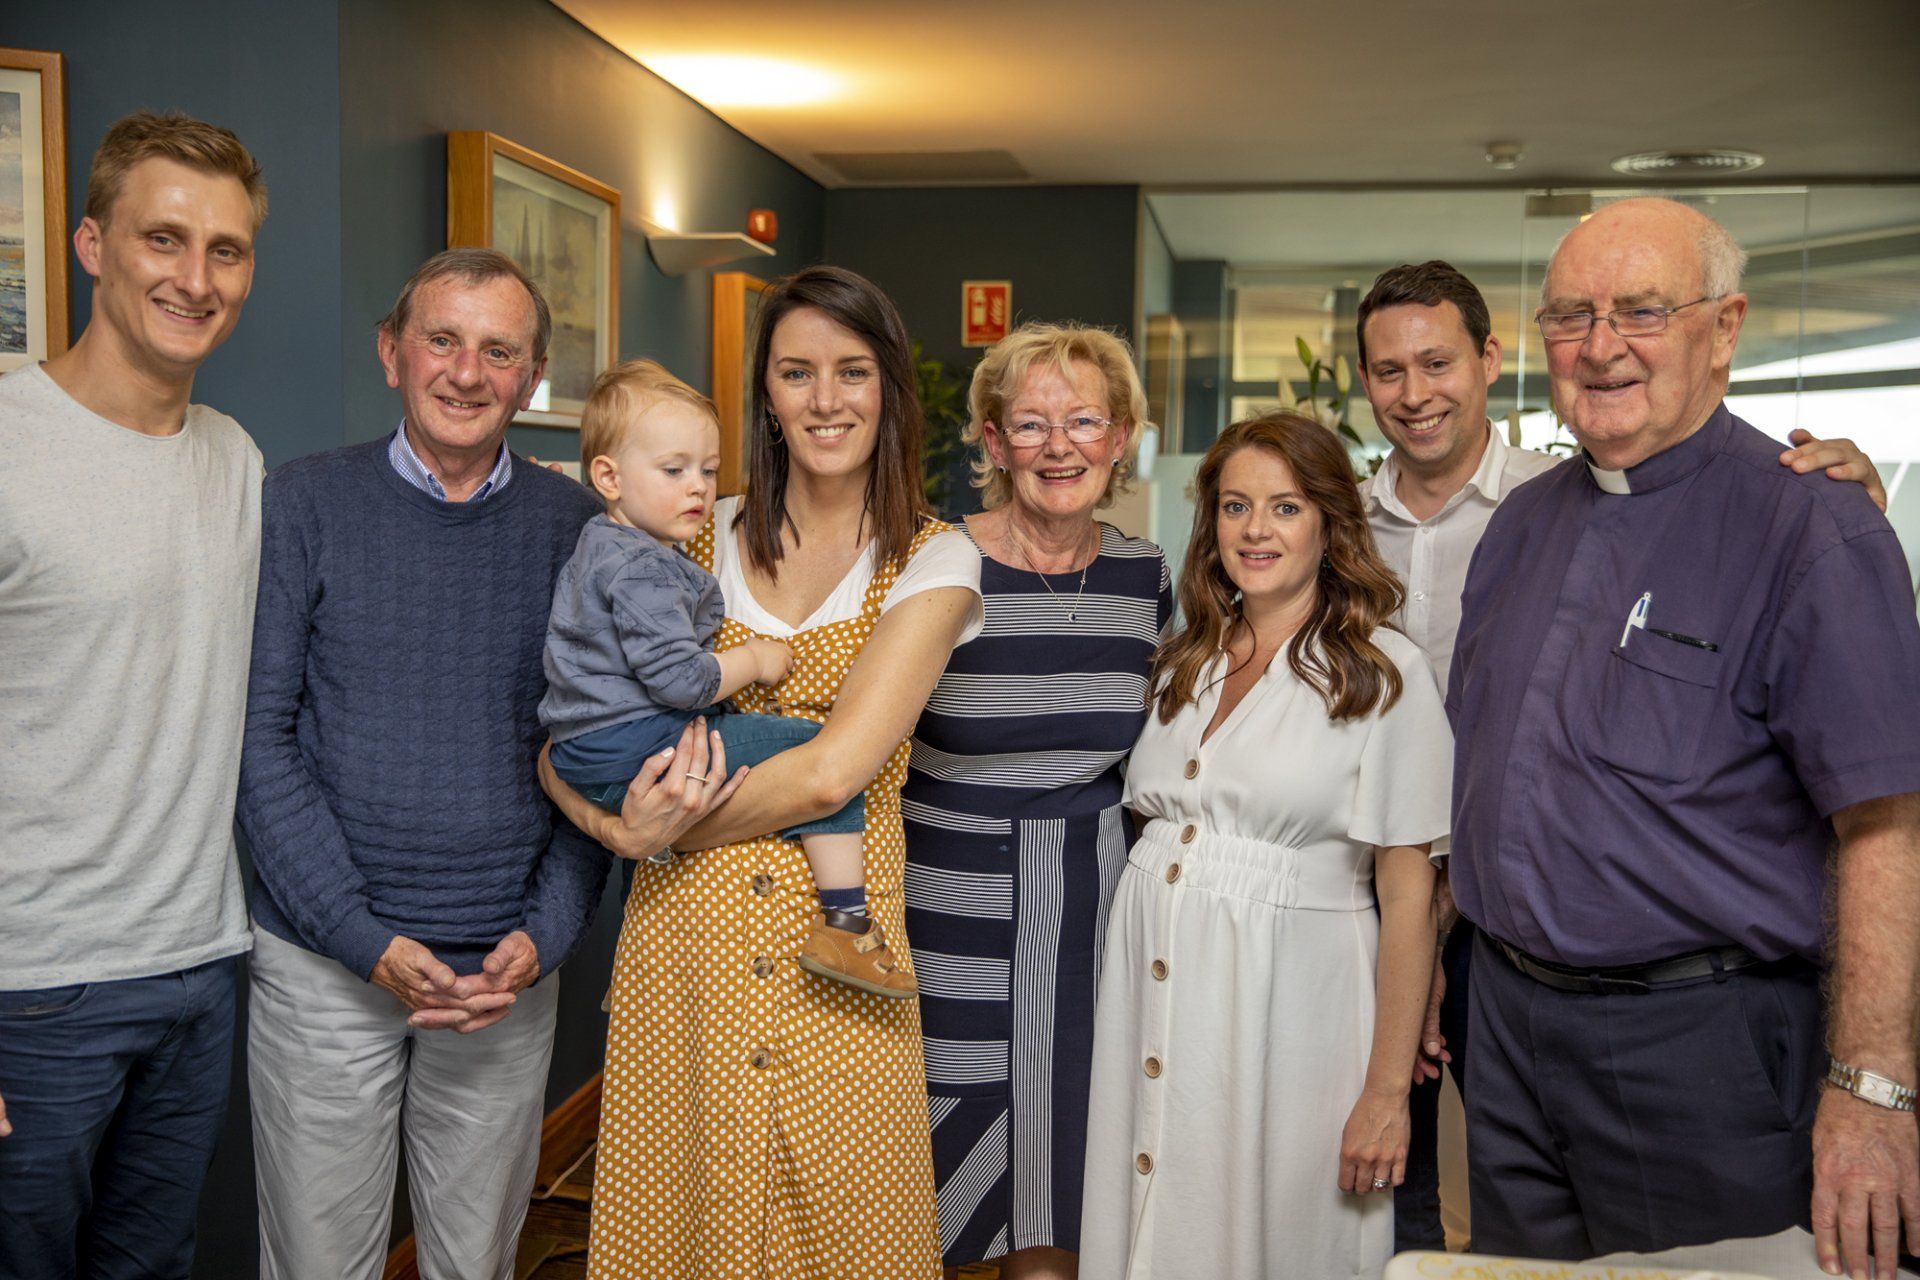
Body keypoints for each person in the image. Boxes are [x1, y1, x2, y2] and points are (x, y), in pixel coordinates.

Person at [1352, 258, 1893, 1255]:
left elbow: (1886, 823)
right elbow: (1481, 778)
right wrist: (1437, 950)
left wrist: (1876, 1084)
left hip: (1694, 1034)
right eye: (1574, 316)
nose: (1602, 345)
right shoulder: (1523, 525)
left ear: (1724, 328)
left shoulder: (1809, 519)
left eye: (1643, 312)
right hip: (1501, 1014)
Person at [236, 248, 728, 1280]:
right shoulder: (302, 504)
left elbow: (598, 748)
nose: (466, 372)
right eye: (442, 340)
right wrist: (361, 935)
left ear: (531, 375)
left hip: (504, 969)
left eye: (498, 350)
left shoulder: (584, 533)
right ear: (391, 352)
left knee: (476, 1261)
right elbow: (260, 741)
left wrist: (544, 933)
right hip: (327, 963)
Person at [540, 265, 983, 1279]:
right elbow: (564, 725)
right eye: (796, 373)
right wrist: (613, 828)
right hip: (685, 948)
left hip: (842, 944)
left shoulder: (934, 554)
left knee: (846, 1226)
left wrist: (663, 828)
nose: (825, 399)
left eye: (852, 371)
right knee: (683, 1225)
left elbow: (834, 773)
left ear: (890, 392)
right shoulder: (688, 527)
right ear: (768, 398)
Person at [1080, 411, 1453, 1279]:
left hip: (1296, 1013)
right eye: (1236, 506)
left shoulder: (1384, 672)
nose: (1256, 530)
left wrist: (1386, 1095)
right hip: (1153, 988)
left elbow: (1408, 902)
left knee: (1274, 1234)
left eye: (1285, 508)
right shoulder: (1184, 660)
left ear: (1330, 522)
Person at [0, 111, 266, 1280]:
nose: (196, 278)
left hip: (201, 962)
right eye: (165, 239)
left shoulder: (235, 456)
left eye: (227, 249)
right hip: (28, 988)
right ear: (91, 243)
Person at [903, 323, 1171, 1278]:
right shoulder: (933, 562)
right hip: (945, 912)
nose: (1060, 446)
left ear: (1124, 437)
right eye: (1031, 424)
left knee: (1065, 1192)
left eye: (1085, 421)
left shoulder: (1150, 577)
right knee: (932, 1187)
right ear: (989, 439)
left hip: (1093, 922)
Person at [542, 357, 912, 996]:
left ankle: (633, 962)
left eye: (708, 471)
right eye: (674, 470)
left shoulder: (605, 543)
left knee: (676, 796)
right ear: (607, 476)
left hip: (590, 747)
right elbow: (681, 680)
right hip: (628, 743)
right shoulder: (641, 568)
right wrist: (755, 660)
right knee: (813, 749)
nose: (699, 489)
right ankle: (847, 926)